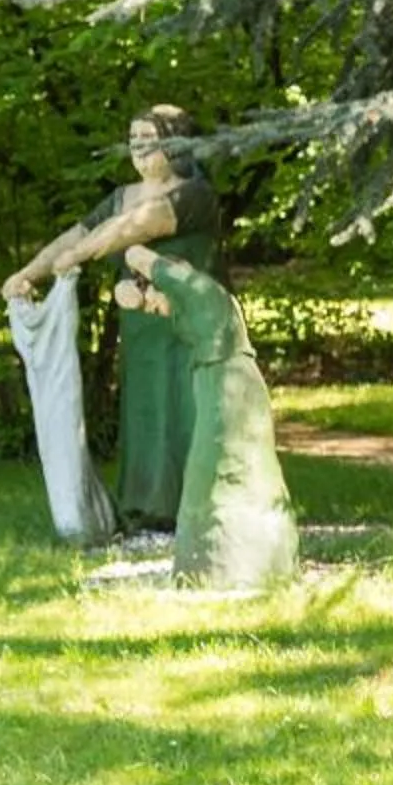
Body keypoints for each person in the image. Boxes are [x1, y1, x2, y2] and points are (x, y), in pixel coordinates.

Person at [4, 106, 225, 529]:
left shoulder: (195, 194)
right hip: (142, 329)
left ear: (175, 143)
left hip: (192, 327)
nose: (139, 147)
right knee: (146, 410)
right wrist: (29, 273)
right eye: (133, 138)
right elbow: (78, 234)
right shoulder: (122, 196)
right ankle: (147, 508)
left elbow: (138, 227)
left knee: (190, 407)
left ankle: (200, 509)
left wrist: (80, 255)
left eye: (149, 138)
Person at [117, 244, 297, 589]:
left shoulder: (198, 291)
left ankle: (233, 567)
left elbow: (138, 253)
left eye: (154, 303)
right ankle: (225, 566)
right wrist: (137, 292)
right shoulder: (188, 304)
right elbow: (143, 296)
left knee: (220, 471)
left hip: (230, 391)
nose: (154, 311)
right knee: (213, 473)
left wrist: (136, 262)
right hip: (217, 386)